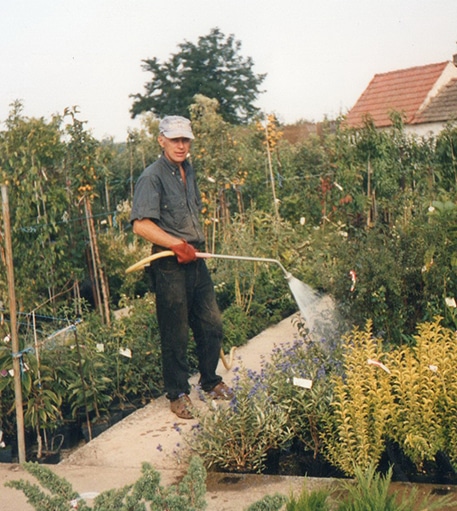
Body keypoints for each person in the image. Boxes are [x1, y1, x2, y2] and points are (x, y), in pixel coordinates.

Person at [130, 115, 233, 419]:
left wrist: (191, 246)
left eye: (185, 140)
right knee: (175, 332)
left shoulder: (187, 169)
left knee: (211, 323)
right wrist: (176, 245)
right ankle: (177, 394)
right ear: (161, 140)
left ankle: (210, 381)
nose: (180, 145)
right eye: (174, 139)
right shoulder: (152, 177)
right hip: (169, 263)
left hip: (194, 258)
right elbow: (141, 225)